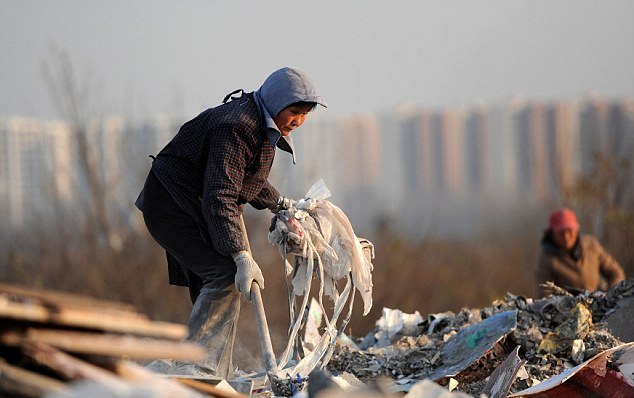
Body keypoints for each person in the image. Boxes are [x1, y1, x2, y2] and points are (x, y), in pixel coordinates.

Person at [135, 67, 326, 378]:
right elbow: (221, 195)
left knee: (219, 280)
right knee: (223, 275)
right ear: (277, 102)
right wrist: (241, 255)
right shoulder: (237, 127)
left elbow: (246, 180)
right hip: (171, 204)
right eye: (294, 111)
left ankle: (213, 370)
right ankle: (197, 370)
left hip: (192, 204)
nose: (298, 121)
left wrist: (281, 206)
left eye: (305, 114)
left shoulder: (259, 123)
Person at [535, 207, 625, 297]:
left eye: (569, 231)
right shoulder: (547, 259)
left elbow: (616, 272)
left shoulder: (591, 246)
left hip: (600, 303)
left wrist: (612, 294)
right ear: (552, 233)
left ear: (576, 230)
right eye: (561, 232)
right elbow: (544, 294)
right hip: (568, 308)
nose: (566, 236)